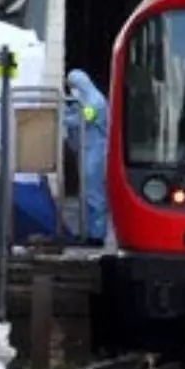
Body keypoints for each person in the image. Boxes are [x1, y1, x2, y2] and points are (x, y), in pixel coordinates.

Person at [64, 69, 109, 245]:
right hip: (87, 150)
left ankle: (97, 235)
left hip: (95, 151)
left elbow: (84, 119)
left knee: (94, 193)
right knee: (86, 193)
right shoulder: (83, 100)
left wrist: (63, 118)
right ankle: (87, 231)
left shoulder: (95, 101)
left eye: (73, 86)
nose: (72, 90)